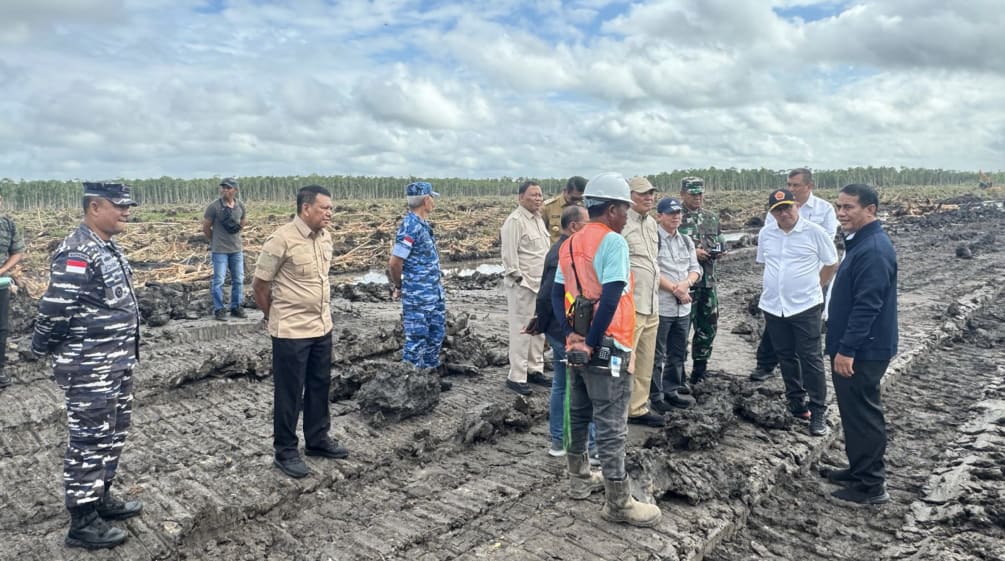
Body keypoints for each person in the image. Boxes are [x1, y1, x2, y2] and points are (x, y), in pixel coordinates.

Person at [32, 182, 143, 549]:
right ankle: (82, 521)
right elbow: (55, 308)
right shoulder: (77, 252)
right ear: (94, 207)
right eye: (119, 206)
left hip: (115, 361)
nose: (126, 212)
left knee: (113, 432)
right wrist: (44, 347)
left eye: (128, 206)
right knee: (89, 439)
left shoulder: (107, 248)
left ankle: (101, 498)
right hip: (88, 366)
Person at [551, 172, 661, 527]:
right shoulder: (613, 243)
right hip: (609, 344)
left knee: (579, 413)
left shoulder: (570, 242)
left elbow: (557, 294)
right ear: (611, 209)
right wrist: (594, 341)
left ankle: (579, 479)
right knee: (613, 423)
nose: (627, 215)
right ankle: (618, 501)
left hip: (578, 344)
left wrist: (573, 335)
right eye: (624, 208)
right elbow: (613, 293)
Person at [252, 185, 348, 479]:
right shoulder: (281, 240)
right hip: (291, 331)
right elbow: (259, 286)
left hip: (322, 326)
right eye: (324, 208)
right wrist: (273, 316)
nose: (329, 213)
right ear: (306, 208)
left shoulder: (326, 238)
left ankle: (317, 440)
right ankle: (285, 451)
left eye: (331, 208)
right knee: (290, 393)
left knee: (319, 385)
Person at [821, 184, 898, 505]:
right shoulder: (861, 243)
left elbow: (869, 305)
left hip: (863, 350)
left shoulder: (874, 250)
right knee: (853, 413)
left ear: (871, 210)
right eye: (839, 207)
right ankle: (858, 468)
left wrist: (847, 349)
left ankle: (871, 486)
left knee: (863, 413)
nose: (841, 214)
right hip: (858, 347)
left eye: (849, 207)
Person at [757, 189, 838, 436]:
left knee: (811, 358)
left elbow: (831, 263)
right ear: (772, 213)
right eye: (778, 210)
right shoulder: (766, 233)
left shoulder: (815, 232)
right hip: (773, 306)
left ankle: (818, 411)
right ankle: (795, 403)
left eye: (788, 207)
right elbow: (765, 263)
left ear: (797, 207)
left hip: (805, 306)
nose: (784, 214)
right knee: (785, 356)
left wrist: (817, 286)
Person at [751, 168, 839, 382]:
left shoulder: (824, 210)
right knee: (776, 324)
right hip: (782, 278)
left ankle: (810, 383)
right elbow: (772, 238)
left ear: (809, 186)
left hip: (813, 275)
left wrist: (817, 283)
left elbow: (827, 249)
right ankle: (766, 364)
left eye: (795, 185)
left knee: (808, 334)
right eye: (789, 184)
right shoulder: (776, 210)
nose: (791, 188)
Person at [527, 205, 597, 459]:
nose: (592, 227)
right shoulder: (563, 254)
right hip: (564, 332)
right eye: (587, 223)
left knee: (562, 384)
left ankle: (560, 440)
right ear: (574, 227)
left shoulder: (568, 249)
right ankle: (571, 441)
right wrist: (545, 326)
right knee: (575, 386)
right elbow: (548, 295)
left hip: (561, 330)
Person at [388, 182, 446, 370]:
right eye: (432, 198)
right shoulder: (409, 226)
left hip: (433, 294)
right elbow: (395, 262)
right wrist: (399, 286)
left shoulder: (422, 225)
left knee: (435, 335)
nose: (434, 202)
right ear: (426, 200)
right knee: (416, 340)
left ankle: (430, 378)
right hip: (418, 296)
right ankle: (411, 382)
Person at [650, 197, 701, 411]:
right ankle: (655, 396)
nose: (676, 216)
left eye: (678, 213)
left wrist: (686, 283)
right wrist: (675, 289)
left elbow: (696, 268)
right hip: (663, 306)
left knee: (678, 352)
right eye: (671, 213)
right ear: (659, 216)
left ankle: (671, 390)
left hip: (683, 307)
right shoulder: (653, 240)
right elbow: (653, 271)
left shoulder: (686, 241)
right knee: (657, 354)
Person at [501, 180, 551, 395]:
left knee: (538, 330)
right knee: (522, 331)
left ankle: (534, 369)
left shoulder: (539, 219)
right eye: (533, 195)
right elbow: (509, 256)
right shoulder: (515, 221)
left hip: (541, 284)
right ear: (521, 197)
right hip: (524, 285)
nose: (538, 198)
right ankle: (517, 376)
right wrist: (520, 280)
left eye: (540, 195)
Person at [622, 176, 664, 427]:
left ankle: (637, 408)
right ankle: (619, 407)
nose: (649, 198)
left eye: (651, 193)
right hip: (631, 304)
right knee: (626, 360)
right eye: (642, 194)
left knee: (646, 359)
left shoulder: (651, 224)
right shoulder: (621, 225)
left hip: (652, 303)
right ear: (629, 197)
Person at [678, 177, 726, 385]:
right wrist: (692, 252)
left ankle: (699, 370)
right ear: (682, 194)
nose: (697, 198)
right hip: (684, 285)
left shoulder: (711, 218)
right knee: (680, 330)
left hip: (708, 282)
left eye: (700, 194)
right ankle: (677, 373)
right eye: (692, 194)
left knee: (708, 327)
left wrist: (719, 250)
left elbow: (722, 242)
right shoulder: (674, 217)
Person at [203, 177, 247, 321]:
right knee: (219, 281)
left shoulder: (240, 205)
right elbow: (206, 226)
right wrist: (214, 241)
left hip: (236, 249)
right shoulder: (214, 207)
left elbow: (242, 222)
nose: (225, 190)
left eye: (228, 188)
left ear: (235, 190)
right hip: (219, 250)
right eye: (223, 187)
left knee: (239, 280)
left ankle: (236, 307)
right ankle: (219, 309)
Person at [0, 194, 25, 390]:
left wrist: (2, 270)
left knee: (1, 328)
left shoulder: (8, 225)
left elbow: (17, 252)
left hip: (0, 283)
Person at [541, 176, 587, 244]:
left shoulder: (584, 207)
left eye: (580, 199)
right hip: (556, 251)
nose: (576, 202)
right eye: (574, 198)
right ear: (565, 191)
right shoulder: (548, 207)